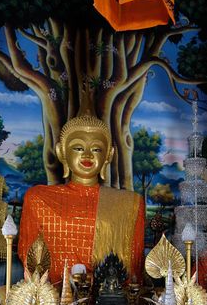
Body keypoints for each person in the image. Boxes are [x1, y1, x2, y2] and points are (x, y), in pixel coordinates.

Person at [17, 102, 145, 285]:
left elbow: (132, 268)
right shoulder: (39, 198)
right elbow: (32, 260)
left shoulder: (129, 203)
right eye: (78, 148)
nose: (87, 155)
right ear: (62, 152)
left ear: (108, 155)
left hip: (107, 293)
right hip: (54, 292)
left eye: (96, 149)